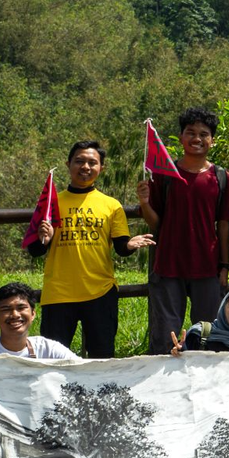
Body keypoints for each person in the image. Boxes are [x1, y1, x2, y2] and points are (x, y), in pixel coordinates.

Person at [27, 140, 154, 358]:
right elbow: (34, 250)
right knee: (51, 359)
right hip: (59, 293)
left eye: (92, 163)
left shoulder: (111, 205)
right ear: (68, 164)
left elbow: (121, 247)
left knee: (102, 356)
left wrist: (131, 245)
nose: (85, 167)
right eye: (79, 161)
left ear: (101, 168)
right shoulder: (51, 202)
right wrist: (43, 240)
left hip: (100, 292)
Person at [137, 107, 229, 356]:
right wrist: (144, 202)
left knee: (208, 336)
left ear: (212, 141)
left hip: (207, 267)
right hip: (169, 265)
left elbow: (224, 224)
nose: (197, 138)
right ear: (181, 137)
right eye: (190, 133)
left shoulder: (223, 178)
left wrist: (224, 266)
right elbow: (155, 223)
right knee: (164, 338)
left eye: (204, 134)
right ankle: (161, 391)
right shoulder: (164, 175)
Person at [0, 282, 80, 359]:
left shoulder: (49, 351)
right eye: (6, 309)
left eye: (21, 307)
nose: (15, 315)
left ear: (33, 314)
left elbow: (84, 371)